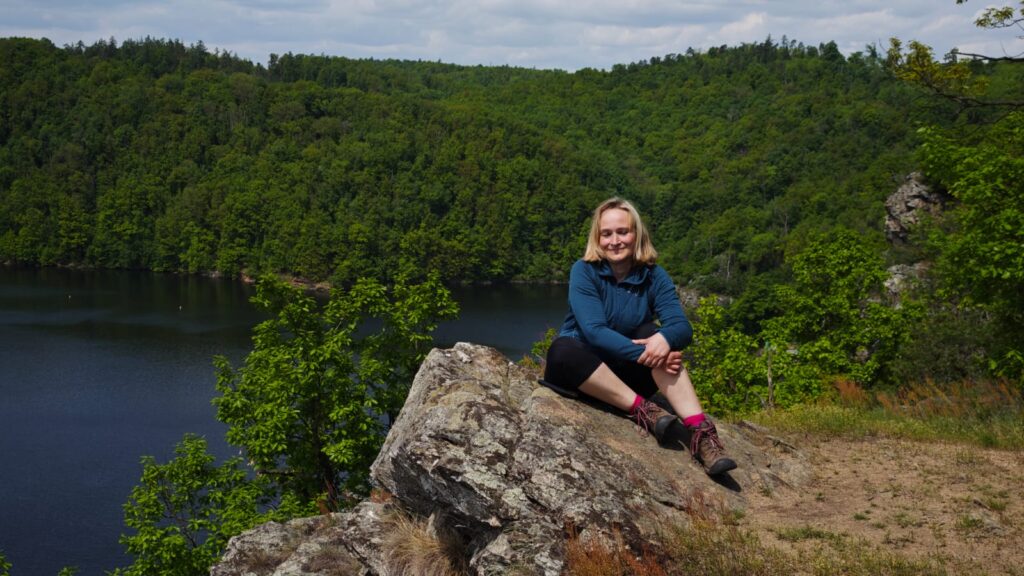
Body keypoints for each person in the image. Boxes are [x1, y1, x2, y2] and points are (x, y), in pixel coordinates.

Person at [544, 197, 736, 476]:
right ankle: (644, 410)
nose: (614, 241)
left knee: (652, 333)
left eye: (622, 232)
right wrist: (652, 355)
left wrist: (664, 341)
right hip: (582, 375)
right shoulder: (584, 270)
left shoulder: (654, 276)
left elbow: (682, 327)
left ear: (637, 235)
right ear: (597, 238)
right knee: (562, 349)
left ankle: (701, 434)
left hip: (626, 376)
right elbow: (594, 332)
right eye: (606, 234)